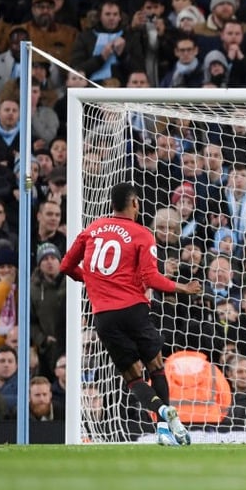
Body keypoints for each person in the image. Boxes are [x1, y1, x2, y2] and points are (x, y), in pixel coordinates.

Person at [59, 183, 203, 446]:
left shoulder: (92, 230)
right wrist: (185, 288)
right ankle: (164, 424)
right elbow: (151, 278)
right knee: (156, 368)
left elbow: (66, 265)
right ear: (135, 203)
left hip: (105, 317)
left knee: (133, 377)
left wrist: (92, 280)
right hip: (135, 311)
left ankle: (162, 420)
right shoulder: (142, 234)